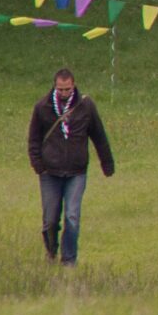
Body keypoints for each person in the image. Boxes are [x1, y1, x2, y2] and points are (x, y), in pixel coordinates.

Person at [28, 66, 115, 265]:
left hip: (76, 172)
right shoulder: (42, 107)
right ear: (55, 87)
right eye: (60, 90)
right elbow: (33, 139)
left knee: (72, 216)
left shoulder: (86, 106)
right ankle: (51, 252)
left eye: (67, 89)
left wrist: (107, 163)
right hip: (50, 172)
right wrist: (38, 165)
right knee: (50, 219)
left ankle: (69, 261)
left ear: (73, 86)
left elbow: (99, 136)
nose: (64, 93)